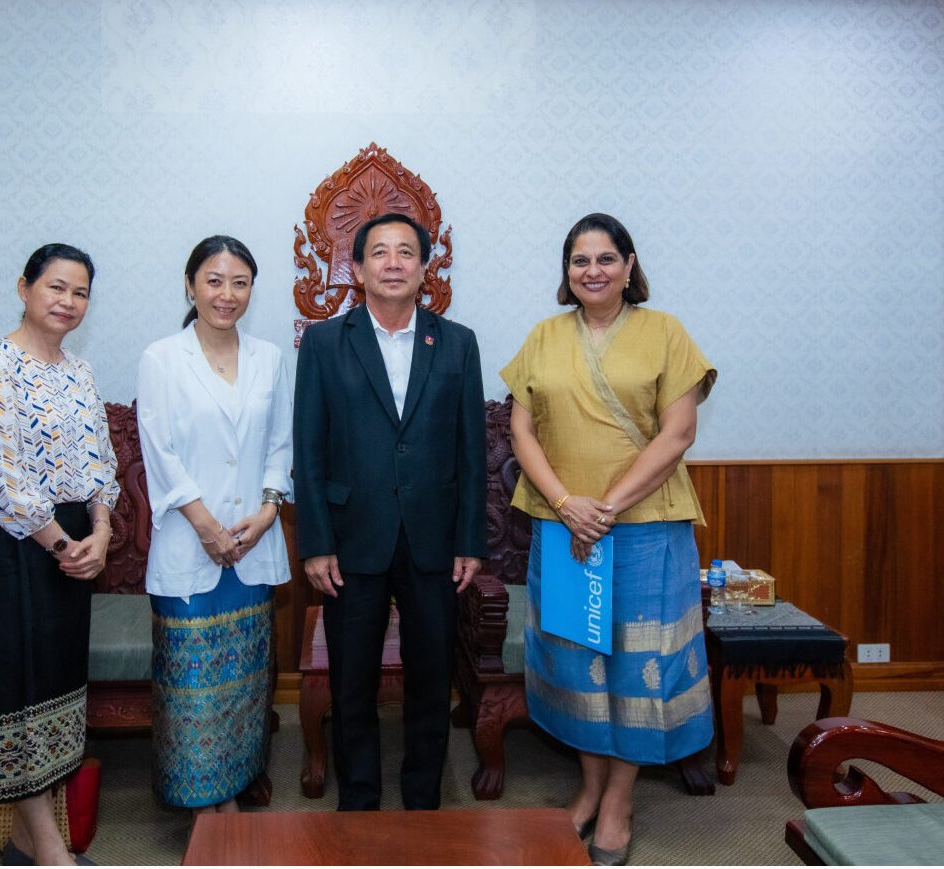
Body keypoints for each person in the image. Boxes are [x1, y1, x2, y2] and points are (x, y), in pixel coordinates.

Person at [501, 213, 716, 866]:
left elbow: (677, 433)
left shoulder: (664, 331)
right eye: (578, 260)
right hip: (564, 526)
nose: (591, 270)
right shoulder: (543, 336)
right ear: (565, 272)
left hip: (645, 530)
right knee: (575, 660)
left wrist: (609, 507)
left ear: (628, 264)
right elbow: (521, 431)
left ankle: (618, 802)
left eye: (604, 258)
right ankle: (589, 788)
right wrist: (568, 505)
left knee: (632, 666)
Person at [293, 212, 487, 811]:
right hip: (352, 539)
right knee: (354, 681)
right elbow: (310, 447)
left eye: (407, 252)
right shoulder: (325, 342)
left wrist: (469, 540)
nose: (394, 262)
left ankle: (424, 796)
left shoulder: (456, 342)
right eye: (380, 252)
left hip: (434, 539)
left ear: (426, 267)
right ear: (357, 268)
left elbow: (472, 451)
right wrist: (316, 542)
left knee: (432, 677)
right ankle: (359, 795)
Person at [0, 243, 119, 866]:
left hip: (74, 542)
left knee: (56, 679)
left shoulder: (78, 372)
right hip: (12, 543)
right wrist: (62, 545)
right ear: (24, 287)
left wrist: (101, 533)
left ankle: (30, 834)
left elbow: (101, 462)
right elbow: (4, 478)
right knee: (14, 683)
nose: (68, 302)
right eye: (56, 288)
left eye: (80, 293)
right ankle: (48, 845)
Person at [136, 235, 292, 815]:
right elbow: (160, 450)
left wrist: (270, 509)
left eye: (240, 283)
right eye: (214, 280)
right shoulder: (161, 358)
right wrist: (205, 526)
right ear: (190, 284)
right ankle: (205, 807)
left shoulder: (270, 357)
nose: (227, 294)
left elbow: (280, 445)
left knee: (243, 685)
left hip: (252, 544)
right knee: (193, 689)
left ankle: (235, 786)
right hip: (189, 544)